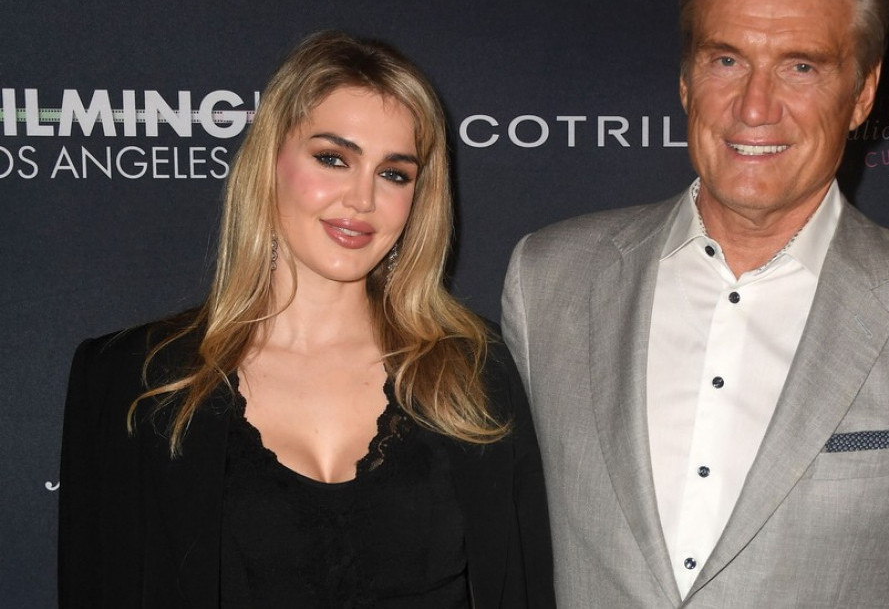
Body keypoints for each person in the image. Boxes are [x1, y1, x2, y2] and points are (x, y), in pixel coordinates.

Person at [502, 0, 889, 609]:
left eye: (800, 66)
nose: (754, 106)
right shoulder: (548, 279)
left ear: (862, 93)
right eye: (726, 59)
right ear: (685, 78)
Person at [59, 31, 555, 608]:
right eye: (333, 159)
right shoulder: (134, 379)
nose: (362, 199)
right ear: (270, 162)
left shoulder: (470, 371)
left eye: (394, 173)